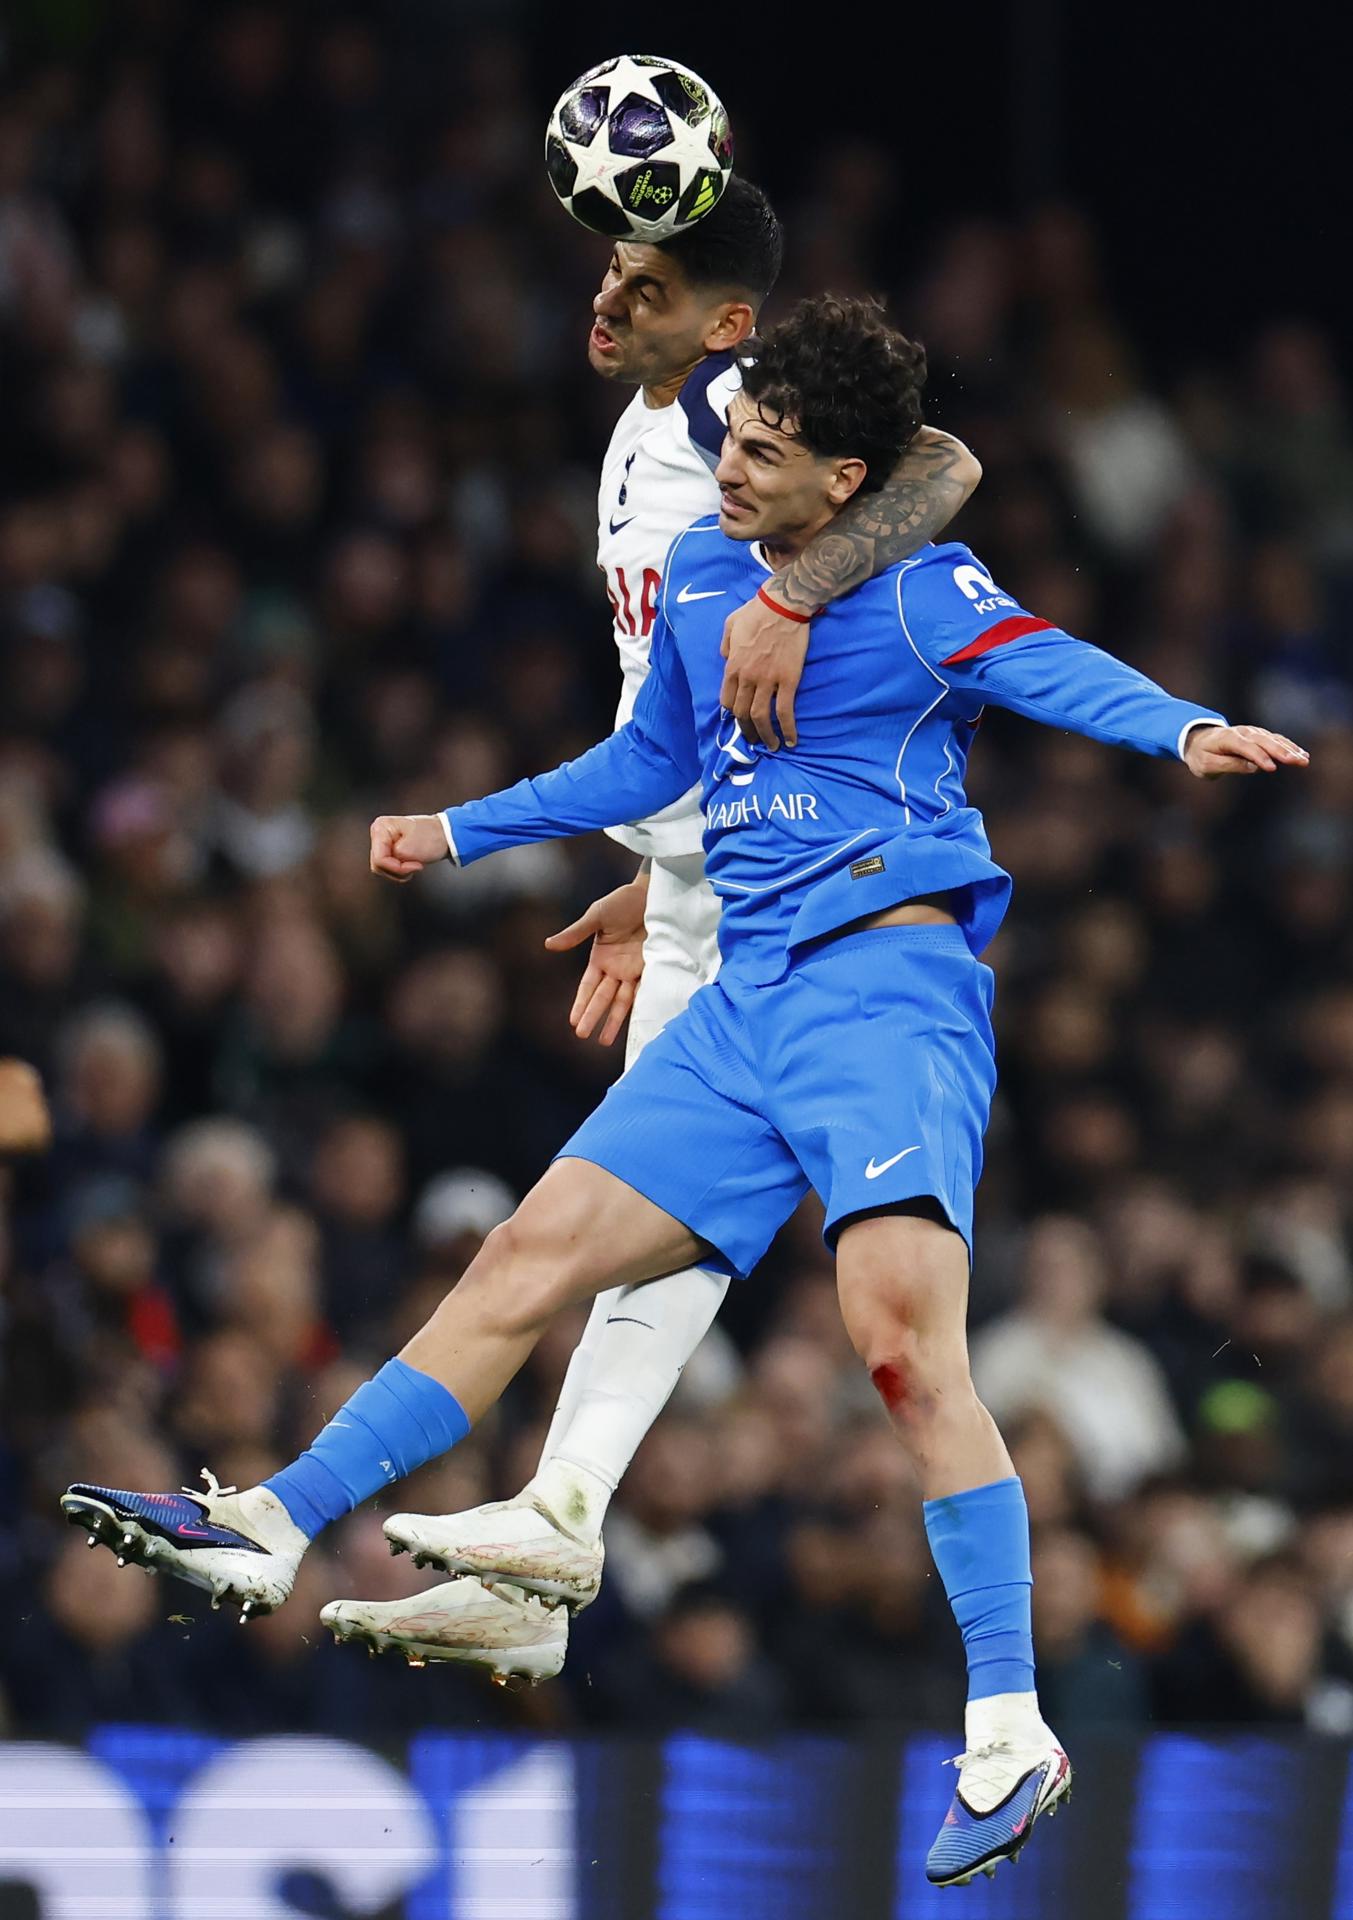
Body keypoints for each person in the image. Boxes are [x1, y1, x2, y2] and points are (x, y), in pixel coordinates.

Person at [64, 293, 1307, 1885]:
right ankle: (271, 1524)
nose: (727, 462)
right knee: (519, 1260)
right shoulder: (715, 582)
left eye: (766, 449)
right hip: (743, 1007)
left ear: (846, 479)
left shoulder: (927, 597)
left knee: (900, 1354)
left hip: (885, 998)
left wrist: (1182, 726)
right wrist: (456, 829)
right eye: (729, 433)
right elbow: (644, 765)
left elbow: (1048, 664)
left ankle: (1008, 1727)